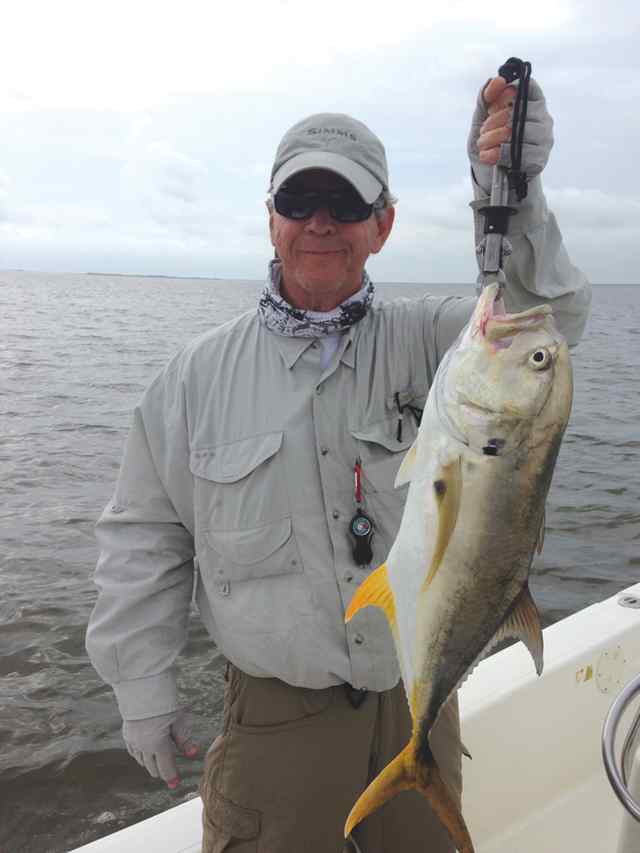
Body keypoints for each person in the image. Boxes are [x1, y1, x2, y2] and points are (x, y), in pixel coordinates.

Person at [86, 71, 591, 853]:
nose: (321, 224)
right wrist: (141, 687)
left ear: (383, 225)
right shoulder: (191, 380)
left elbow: (545, 320)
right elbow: (143, 541)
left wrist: (515, 193)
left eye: (347, 206)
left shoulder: (442, 344)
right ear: (270, 220)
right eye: (299, 204)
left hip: (418, 688)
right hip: (275, 722)